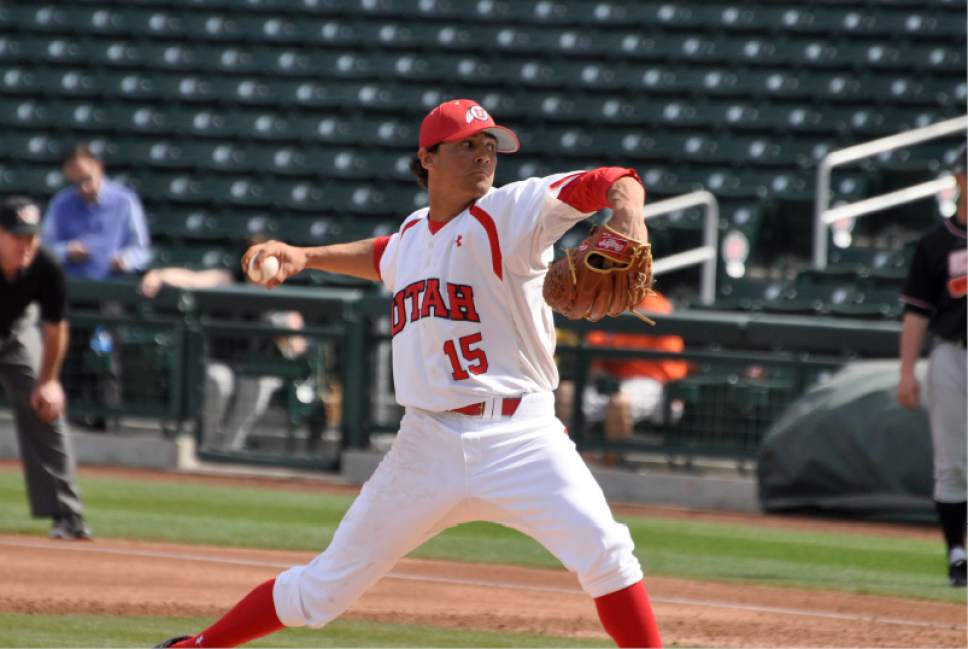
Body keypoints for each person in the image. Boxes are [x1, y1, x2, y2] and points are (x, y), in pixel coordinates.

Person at [155, 99, 662, 648]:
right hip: (426, 444)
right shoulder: (416, 231)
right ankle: (197, 647)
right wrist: (306, 256)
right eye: (467, 145)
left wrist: (628, 214)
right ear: (428, 158)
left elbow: (613, 179)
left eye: (490, 146)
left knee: (608, 555)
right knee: (322, 590)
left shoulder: (513, 210)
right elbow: (385, 255)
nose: (483, 156)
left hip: (523, 436)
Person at [140, 258, 308, 452]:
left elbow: (296, 335)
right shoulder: (226, 279)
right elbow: (190, 278)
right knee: (218, 381)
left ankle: (231, 447)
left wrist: (290, 334)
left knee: (257, 386)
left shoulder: (275, 291)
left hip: (256, 368)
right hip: (221, 359)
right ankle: (207, 444)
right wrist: (157, 275)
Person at [41, 144, 153, 428]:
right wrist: (67, 251)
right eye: (75, 181)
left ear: (99, 168)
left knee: (106, 355)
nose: (82, 187)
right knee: (68, 355)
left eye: (87, 178)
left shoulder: (124, 201)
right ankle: (69, 416)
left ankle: (109, 418)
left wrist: (125, 261)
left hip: (108, 293)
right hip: (70, 292)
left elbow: (142, 249)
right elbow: (44, 247)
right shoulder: (62, 202)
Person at [0, 195, 91, 540]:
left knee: (47, 410)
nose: (26, 245)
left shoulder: (46, 265)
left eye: (31, 236)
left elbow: (56, 328)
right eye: (17, 236)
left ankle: (68, 515)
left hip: (17, 330)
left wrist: (48, 381)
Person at [897, 142, 967, 588]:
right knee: (953, 460)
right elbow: (916, 313)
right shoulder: (936, 242)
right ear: (959, 179)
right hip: (951, 352)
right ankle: (957, 554)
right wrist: (907, 372)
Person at [556, 291, 689, 448]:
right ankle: (572, 455)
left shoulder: (654, 304)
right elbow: (595, 342)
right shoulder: (612, 300)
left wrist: (610, 347)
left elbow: (625, 347)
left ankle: (612, 461)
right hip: (614, 381)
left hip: (657, 386)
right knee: (565, 395)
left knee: (619, 402)